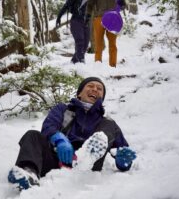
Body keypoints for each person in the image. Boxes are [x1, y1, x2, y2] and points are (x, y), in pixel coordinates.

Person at [8, 77, 136, 190]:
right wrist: (59, 139)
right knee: (32, 135)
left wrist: (123, 160)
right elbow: (48, 126)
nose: (95, 89)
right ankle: (29, 173)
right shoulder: (63, 109)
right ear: (79, 93)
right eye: (90, 86)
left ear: (102, 98)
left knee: (109, 124)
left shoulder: (107, 123)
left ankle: (91, 151)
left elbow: (122, 151)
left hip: (89, 166)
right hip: (58, 159)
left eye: (99, 89)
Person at [85, 0, 126, 67]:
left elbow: (123, 6)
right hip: (99, 18)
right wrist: (88, 15)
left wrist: (122, 4)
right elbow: (90, 4)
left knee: (112, 44)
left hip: (112, 18)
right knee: (98, 44)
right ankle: (98, 65)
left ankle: (112, 65)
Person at [56, 0, 90, 64]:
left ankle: (74, 61)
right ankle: (81, 61)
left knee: (86, 44)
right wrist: (59, 16)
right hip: (76, 20)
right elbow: (66, 5)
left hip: (86, 22)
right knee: (80, 41)